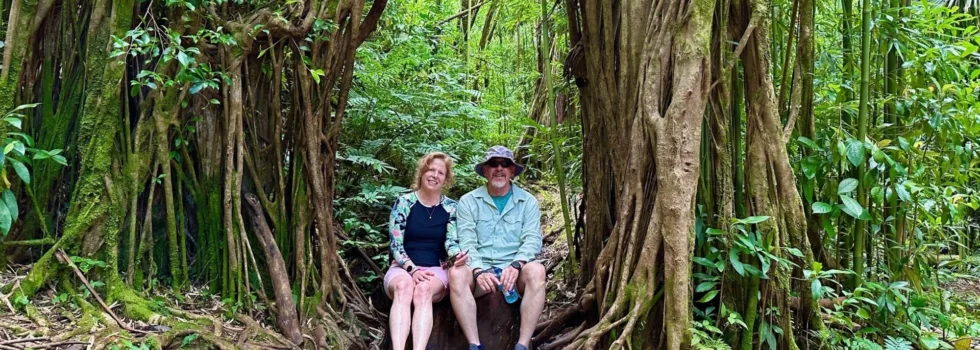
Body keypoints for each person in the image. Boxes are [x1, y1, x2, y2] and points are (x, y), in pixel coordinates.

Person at [448, 146, 546, 350]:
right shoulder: (468, 201)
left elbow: (532, 239)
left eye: (505, 164)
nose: (499, 168)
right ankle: (474, 344)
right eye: (493, 164)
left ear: (512, 171)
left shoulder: (527, 202)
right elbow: (467, 241)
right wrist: (478, 270)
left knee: (537, 271)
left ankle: (523, 344)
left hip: (513, 273)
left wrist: (517, 264)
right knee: (456, 274)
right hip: (481, 272)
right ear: (485, 170)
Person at [385, 152, 468, 350]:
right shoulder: (404, 203)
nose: (435, 175)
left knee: (422, 291)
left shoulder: (451, 208)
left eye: (441, 172)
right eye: (431, 169)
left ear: (446, 179)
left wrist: (457, 255)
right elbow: (395, 243)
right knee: (404, 288)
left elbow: (451, 242)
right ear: (422, 172)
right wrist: (412, 269)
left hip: (435, 269)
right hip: (403, 267)